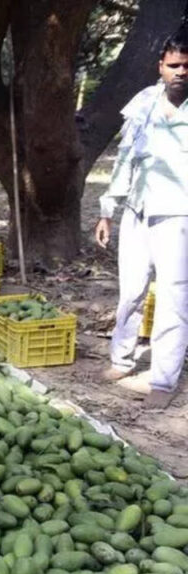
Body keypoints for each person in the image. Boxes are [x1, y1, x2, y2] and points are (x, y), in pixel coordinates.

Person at [94, 29, 188, 409]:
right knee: (131, 291)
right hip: (137, 209)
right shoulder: (145, 102)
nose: (180, 72)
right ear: (160, 67)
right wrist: (107, 210)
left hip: (177, 215)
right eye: (173, 65)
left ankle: (164, 379)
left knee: (173, 297)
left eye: (186, 66)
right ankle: (122, 358)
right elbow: (125, 159)